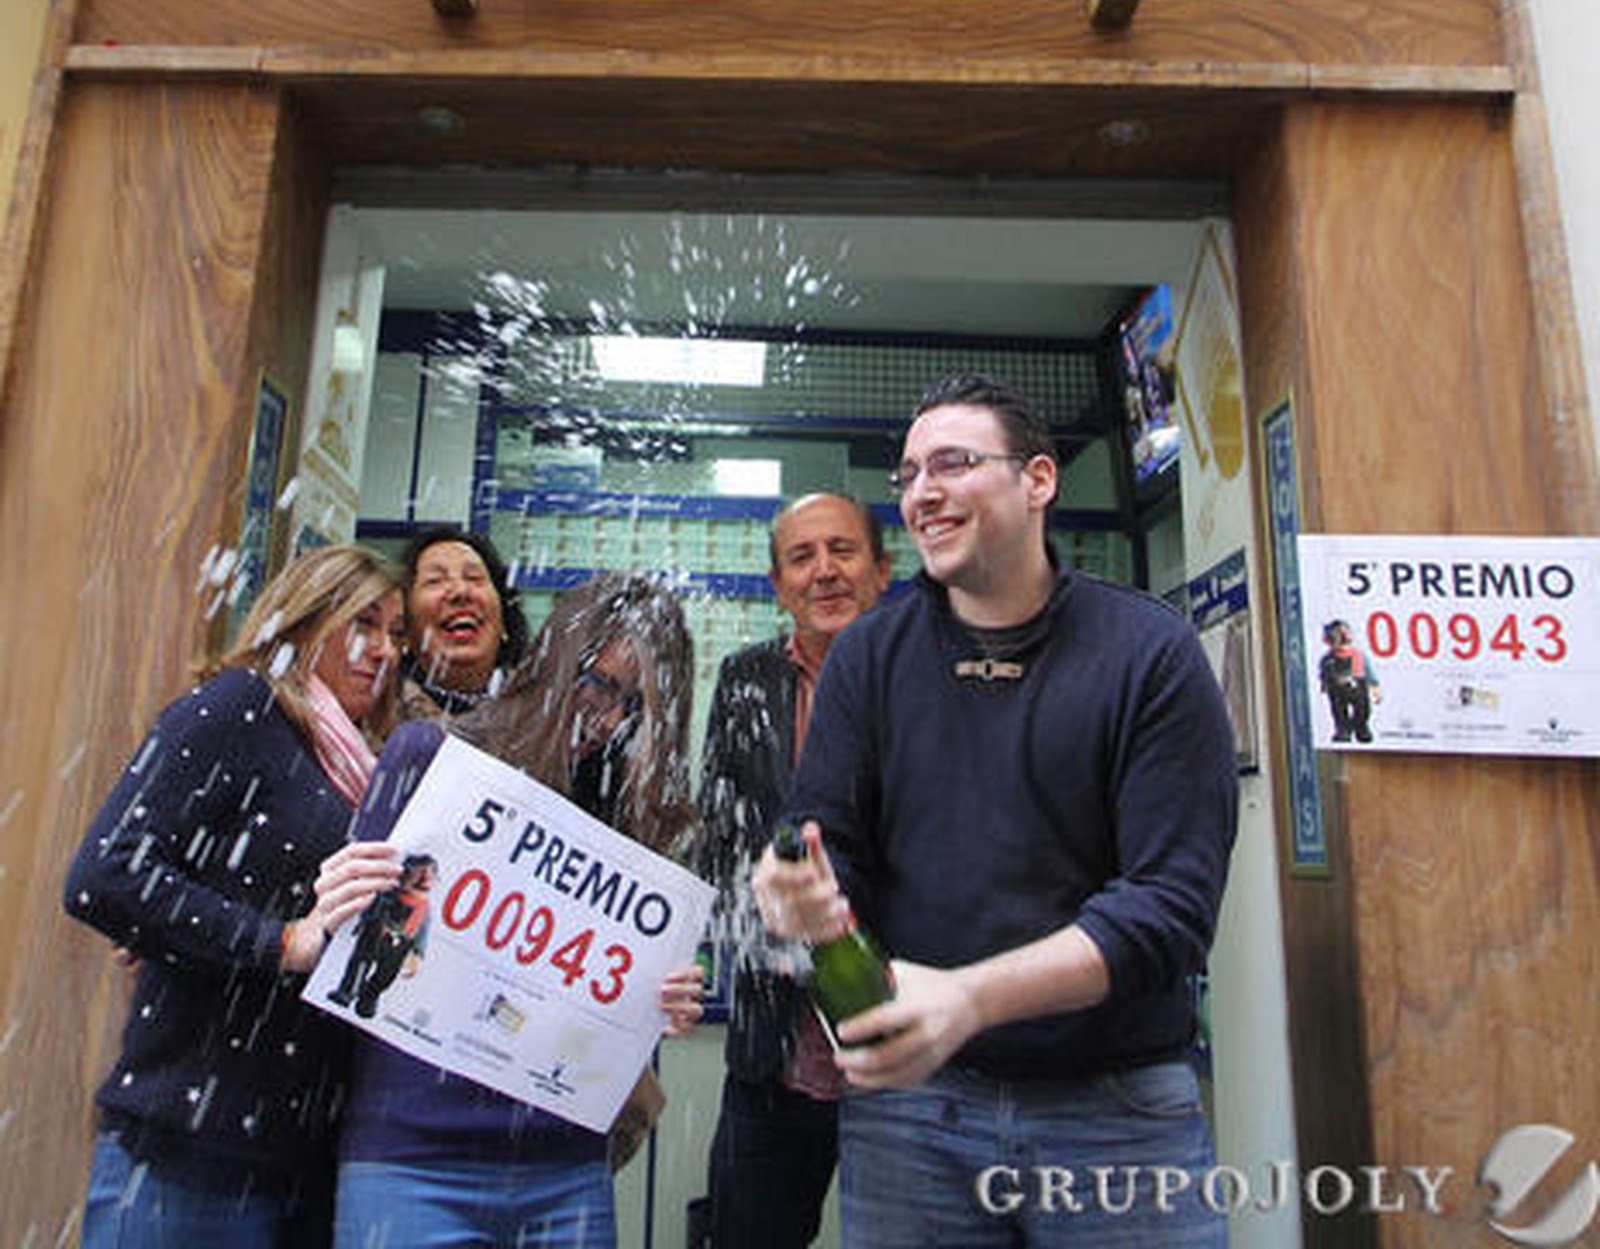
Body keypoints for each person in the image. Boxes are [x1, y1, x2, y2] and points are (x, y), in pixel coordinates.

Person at [753, 374, 1239, 1247]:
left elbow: (1169, 908)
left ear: (1038, 480)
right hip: (913, 1117)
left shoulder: (1151, 650)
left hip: (1119, 1109)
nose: (922, 493)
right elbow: (833, 852)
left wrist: (971, 998)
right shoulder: (867, 657)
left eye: (952, 463)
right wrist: (804, 903)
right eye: (907, 475)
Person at [332, 571, 705, 1249]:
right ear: (559, 662)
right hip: (411, 1157)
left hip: (565, 1169)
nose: (612, 719)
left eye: (638, 704)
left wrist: (663, 998)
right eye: (598, 683)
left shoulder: (634, 833)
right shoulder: (433, 758)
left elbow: (615, 1009)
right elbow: (349, 949)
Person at [63, 544, 413, 1247]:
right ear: (305, 622)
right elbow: (107, 872)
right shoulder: (243, 706)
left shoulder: (370, 768)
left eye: (397, 633)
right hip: (188, 1153)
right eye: (363, 623)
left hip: (306, 1164)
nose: (384, 650)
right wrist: (280, 941)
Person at [696, 493, 892, 1248]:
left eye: (843, 551)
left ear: (883, 568)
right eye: (802, 557)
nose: (825, 572)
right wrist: (766, 934)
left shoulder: (929, 675)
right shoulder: (746, 679)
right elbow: (721, 838)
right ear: (778, 584)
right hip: (773, 1055)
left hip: (906, 1044)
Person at [399, 525, 531, 719]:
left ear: (504, 621)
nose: (460, 591)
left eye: (474, 578)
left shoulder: (547, 713)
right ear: (405, 629)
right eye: (435, 580)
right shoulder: (377, 717)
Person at [326, 852, 439, 1018]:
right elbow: (372, 908)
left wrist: (417, 954)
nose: (422, 881)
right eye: (416, 875)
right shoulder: (387, 893)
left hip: (400, 943)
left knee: (385, 976)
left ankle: (369, 997)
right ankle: (348, 991)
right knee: (359, 963)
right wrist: (363, 922)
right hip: (375, 933)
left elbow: (423, 933)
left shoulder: (425, 909)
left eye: (427, 877)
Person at [1318, 618, 1380, 742]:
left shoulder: (1358, 656)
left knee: (1362, 709)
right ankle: (1343, 730)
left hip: (1357, 685)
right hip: (1337, 688)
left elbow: (1369, 672)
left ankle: (1360, 728)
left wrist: (1374, 687)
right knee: (1339, 711)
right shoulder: (1328, 659)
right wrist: (1324, 683)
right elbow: (1324, 672)